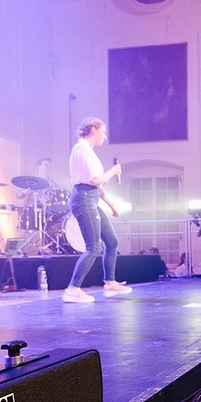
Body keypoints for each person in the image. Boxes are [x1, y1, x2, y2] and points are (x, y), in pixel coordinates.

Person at [63, 117, 131, 302]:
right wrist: (113, 171)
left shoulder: (88, 151)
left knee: (112, 241)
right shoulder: (82, 149)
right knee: (92, 247)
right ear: (93, 129)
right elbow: (94, 181)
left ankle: (110, 283)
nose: (105, 136)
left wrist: (111, 205)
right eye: (103, 131)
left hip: (90, 199)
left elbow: (97, 188)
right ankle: (72, 290)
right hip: (83, 199)